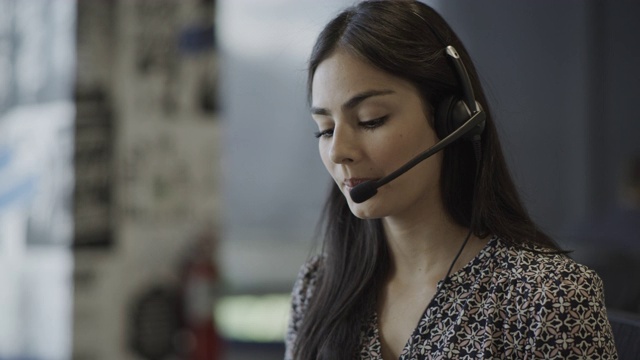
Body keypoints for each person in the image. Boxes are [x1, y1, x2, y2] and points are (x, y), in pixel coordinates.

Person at [285, 1, 618, 359]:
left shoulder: (548, 298)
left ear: (452, 119)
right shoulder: (318, 286)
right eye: (326, 129)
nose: (338, 151)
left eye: (371, 119)